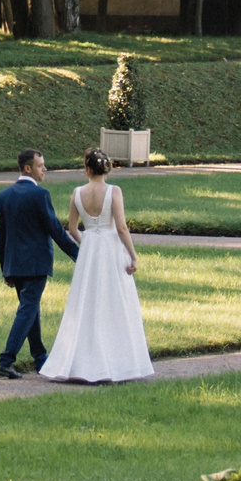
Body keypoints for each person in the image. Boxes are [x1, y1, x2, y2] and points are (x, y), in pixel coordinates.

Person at [39, 149, 152, 384]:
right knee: (115, 300)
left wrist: (87, 242)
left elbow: (72, 229)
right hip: (111, 248)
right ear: (107, 168)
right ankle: (119, 361)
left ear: (87, 169)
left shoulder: (77, 192)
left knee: (86, 301)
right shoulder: (114, 191)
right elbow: (121, 227)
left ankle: (80, 360)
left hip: (90, 248)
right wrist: (133, 255)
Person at [0, 148, 77, 379]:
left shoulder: (4, 196)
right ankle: (6, 360)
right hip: (36, 263)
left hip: (14, 265)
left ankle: (40, 358)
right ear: (28, 168)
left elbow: (1, 236)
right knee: (28, 309)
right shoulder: (40, 195)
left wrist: (5, 269)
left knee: (30, 309)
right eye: (41, 165)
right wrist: (78, 255)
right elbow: (55, 230)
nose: (45, 169)